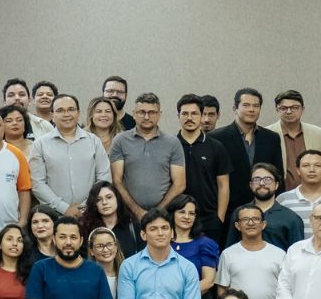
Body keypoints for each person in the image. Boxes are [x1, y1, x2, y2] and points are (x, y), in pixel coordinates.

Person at [29, 95, 110, 221]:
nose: (66, 114)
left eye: (71, 109)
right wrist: (64, 208)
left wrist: (85, 206)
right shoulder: (40, 144)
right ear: (52, 115)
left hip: (91, 214)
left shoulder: (94, 141)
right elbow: (37, 183)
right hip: (55, 216)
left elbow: (104, 177)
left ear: (78, 113)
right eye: (60, 110)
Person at [215, 204, 290, 299]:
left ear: (263, 224)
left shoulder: (279, 254)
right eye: (245, 219)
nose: (251, 223)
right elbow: (222, 289)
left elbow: (288, 290)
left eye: (255, 219)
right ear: (237, 226)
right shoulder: (228, 254)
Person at [110, 94, 184, 227]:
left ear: (159, 114)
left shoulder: (172, 143)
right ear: (133, 114)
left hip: (163, 215)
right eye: (141, 112)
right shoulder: (120, 140)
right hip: (127, 216)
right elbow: (117, 181)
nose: (146, 116)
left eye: (151, 112)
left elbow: (179, 184)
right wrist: (137, 211)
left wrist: (158, 211)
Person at [209, 89, 283, 221]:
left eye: (256, 106)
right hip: (228, 212)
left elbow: (278, 176)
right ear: (235, 108)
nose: (252, 110)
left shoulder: (271, 138)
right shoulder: (216, 138)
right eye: (246, 105)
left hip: (264, 212)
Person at [174, 96, 230, 243]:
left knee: (209, 263)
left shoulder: (216, 146)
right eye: (184, 114)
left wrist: (220, 217)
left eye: (194, 113)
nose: (189, 118)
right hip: (178, 217)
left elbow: (223, 185)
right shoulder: (171, 146)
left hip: (210, 219)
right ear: (178, 116)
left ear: (201, 115)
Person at [170, 196, 221, 299]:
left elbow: (208, 281)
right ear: (172, 214)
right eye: (182, 212)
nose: (187, 217)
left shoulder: (205, 243)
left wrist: (178, 295)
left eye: (191, 213)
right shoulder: (162, 243)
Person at [277, 151, 321, 240]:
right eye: (306, 166)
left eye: (318, 166)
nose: (312, 170)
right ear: (298, 170)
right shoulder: (283, 200)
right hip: (296, 252)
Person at [242, 164, 306, 251]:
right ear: (251, 185)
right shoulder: (239, 213)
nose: (261, 183)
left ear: (276, 185)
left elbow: (297, 254)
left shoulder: (291, 218)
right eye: (257, 179)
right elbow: (231, 249)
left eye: (267, 179)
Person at [80, 181, 141, 257]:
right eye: (98, 199)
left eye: (109, 197)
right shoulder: (86, 229)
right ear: (94, 204)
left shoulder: (133, 226)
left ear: (117, 199)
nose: (104, 202)